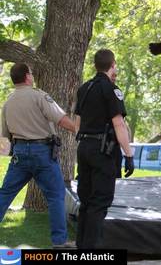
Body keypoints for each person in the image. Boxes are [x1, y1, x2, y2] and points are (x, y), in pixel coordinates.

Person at [0, 63, 75, 248]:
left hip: (19, 153)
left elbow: (4, 135)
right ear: (27, 76)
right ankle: (59, 242)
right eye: (31, 73)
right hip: (42, 153)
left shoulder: (8, 103)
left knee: (5, 194)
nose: (32, 76)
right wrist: (79, 130)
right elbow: (60, 119)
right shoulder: (39, 96)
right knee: (56, 196)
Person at [74, 49, 134, 249]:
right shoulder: (111, 89)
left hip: (84, 147)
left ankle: (81, 247)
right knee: (100, 203)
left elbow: (77, 123)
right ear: (113, 65)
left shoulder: (84, 88)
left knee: (86, 201)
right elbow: (119, 125)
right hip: (103, 150)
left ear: (95, 65)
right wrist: (129, 154)